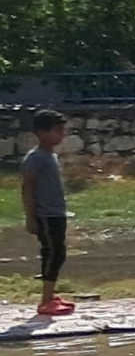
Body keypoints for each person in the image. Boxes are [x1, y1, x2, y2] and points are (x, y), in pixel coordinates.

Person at [22, 112, 71, 320]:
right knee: (53, 253)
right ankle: (45, 300)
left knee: (59, 253)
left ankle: (51, 296)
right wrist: (31, 217)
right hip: (45, 215)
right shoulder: (35, 158)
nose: (61, 135)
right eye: (57, 130)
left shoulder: (51, 155)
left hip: (57, 213)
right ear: (42, 133)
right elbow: (28, 188)